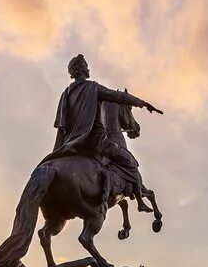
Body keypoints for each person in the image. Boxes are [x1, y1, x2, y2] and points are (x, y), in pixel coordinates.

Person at [44, 54, 162, 201]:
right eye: (86, 66)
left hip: (71, 145)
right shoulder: (92, 87)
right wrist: (142, 103)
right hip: (95, 142)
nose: (88, 69)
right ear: (82, 70)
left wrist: (57, 153)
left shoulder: (65, 94)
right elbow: (118, 97)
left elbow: (61, 127)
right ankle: (139, 199)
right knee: (130, 162)